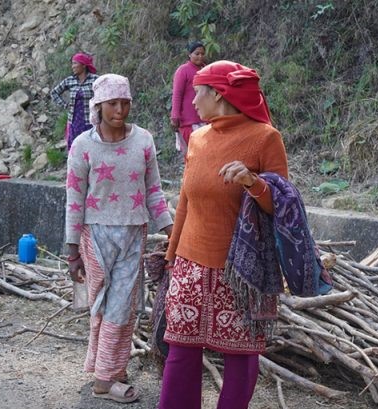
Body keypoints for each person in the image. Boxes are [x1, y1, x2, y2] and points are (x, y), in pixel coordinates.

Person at [160, 61, 289, 409]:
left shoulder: (265, 138)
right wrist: (172, 258)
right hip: (191, 265)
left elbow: (284, 208)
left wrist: (253, 182)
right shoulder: (198, 138)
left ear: (218, 93)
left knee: (241, 359)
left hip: (243, 274)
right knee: (180, 353)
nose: (192, 102)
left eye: (198, 92)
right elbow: (185, 201)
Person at [64, 74, 173, 404]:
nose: (120, 110)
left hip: (133, 232)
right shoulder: (83, 146)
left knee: (123, 305)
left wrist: (172, 230)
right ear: (98, 106)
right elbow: (73, 198)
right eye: (113, 103)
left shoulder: (143, 141)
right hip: (95, 235)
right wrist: (72, 251)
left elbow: (154, 192)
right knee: (105, 305)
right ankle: (104, 377)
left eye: (125, 103)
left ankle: (107, 371)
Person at [51, 52, 99, 150]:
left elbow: (104, 95)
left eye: (75, 63)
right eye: (72, 64)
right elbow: (54, 93)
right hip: (74, 123)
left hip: (90, 122)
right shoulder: (70, 80)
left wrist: (99, 108)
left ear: (84, 65)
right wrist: (64, 104)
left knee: (91, 148)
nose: (72, 66)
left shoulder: (95, 79)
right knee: (75, 149)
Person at [170, 41, 207, 159]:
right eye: (197, 54)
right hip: (188, 122)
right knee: (192, 155)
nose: (200, 56)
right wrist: (175, 115)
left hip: (205, 119)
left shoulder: (206, 70)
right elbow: (177, 94)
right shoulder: (183, 70)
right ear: (189, 54)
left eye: (202, 54)